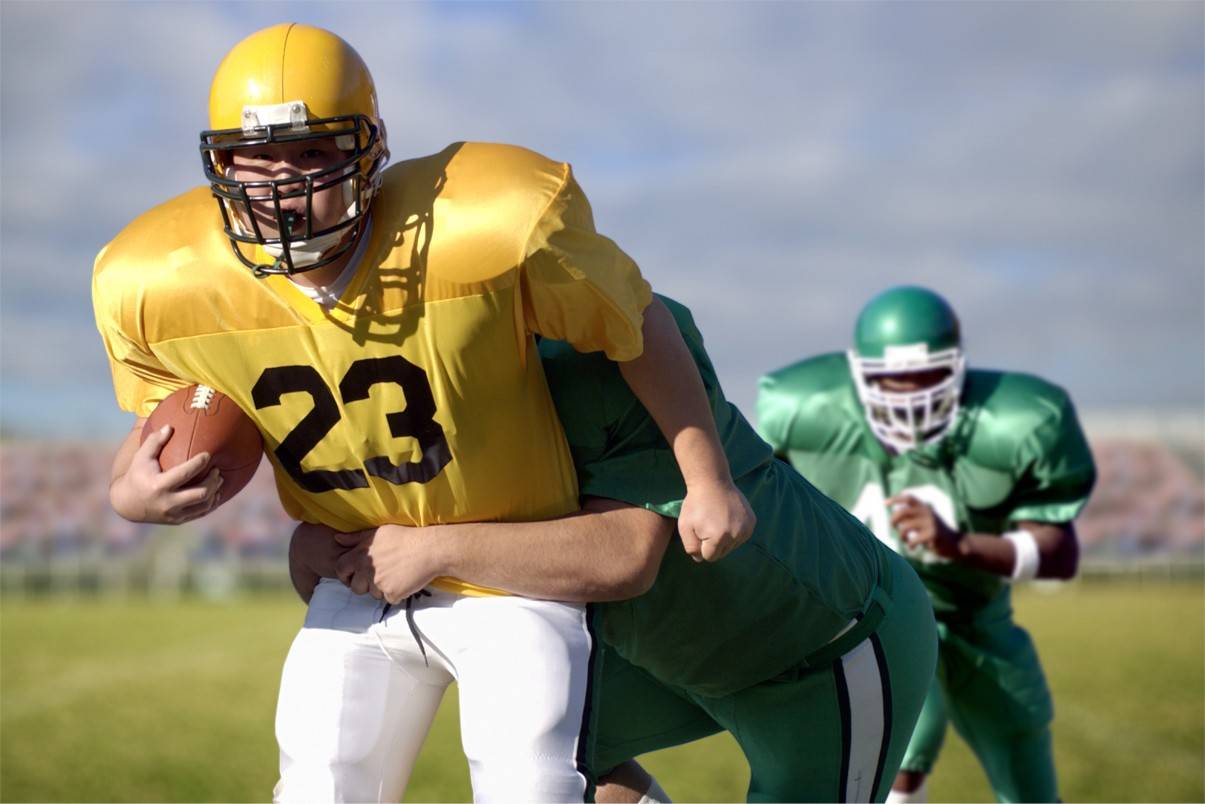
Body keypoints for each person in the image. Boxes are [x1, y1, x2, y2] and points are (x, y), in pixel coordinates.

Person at [92, 23, 753, 802]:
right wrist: (126, 492)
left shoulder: (484, 225)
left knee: (531, 786)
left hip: (511, 573)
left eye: (312, 153)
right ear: (219, 163)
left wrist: (705, 476)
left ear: (365, 154)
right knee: (318, 787)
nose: (284, 185)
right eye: (257, 157)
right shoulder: (158, 279)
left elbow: (635, 321)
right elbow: (162, 421)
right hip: (356, 572)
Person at [293, 296, 940, 803]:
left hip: (816, 646)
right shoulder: (398, 373)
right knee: (550, 766)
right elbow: (319, 562)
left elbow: (622, 557)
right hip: (653, 655)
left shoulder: (598, 353)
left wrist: (436, 548)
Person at [756, 285, 1096, 803]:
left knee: (1026, 761)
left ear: (957, 369)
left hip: (976, 615)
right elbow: (769, 507)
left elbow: (1061, 554)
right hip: (874, 615)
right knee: (905, 741)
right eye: (892, 381)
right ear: (858, 374)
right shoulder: (804, 409)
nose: (909, 396)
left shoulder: (1019, 421)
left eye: (927, 378)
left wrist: (959, 545)